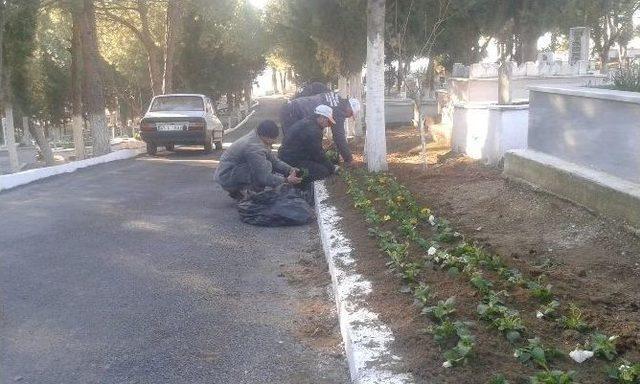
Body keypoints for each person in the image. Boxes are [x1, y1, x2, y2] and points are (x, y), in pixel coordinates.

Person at [214, 120, 301, 200]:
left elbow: (274, 161)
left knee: (268, 163)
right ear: (266, 137)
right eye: (274, 139)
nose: (274, 141)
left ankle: (240, 191)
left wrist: (290, 169)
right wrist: (286, 180)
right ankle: (251, 194)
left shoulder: (257, 137)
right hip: (226, 176)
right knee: (266, 166)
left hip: (229, 172)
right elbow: (263, 177)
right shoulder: (254, 148)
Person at [279, 91, 360, 165]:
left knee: (292, 143)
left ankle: (285, 167)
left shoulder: (336, 97)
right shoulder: (338, 111)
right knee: (291, 145)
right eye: (350, 114)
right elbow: (339, 137)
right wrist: (349, 159)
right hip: (294, 113)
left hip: (290, 107)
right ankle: (286, 172)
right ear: (349, 109)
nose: (348, 117)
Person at [278, 105, 337, 183]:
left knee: (322, 165)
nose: (328, 125)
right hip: (292, 161)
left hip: (289, 156)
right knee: (323, 171)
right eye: (328, 121)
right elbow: (317, 154)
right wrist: (332, 168)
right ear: (322, 117)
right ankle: (297, 180)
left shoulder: (308, 122)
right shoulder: (313, 130)